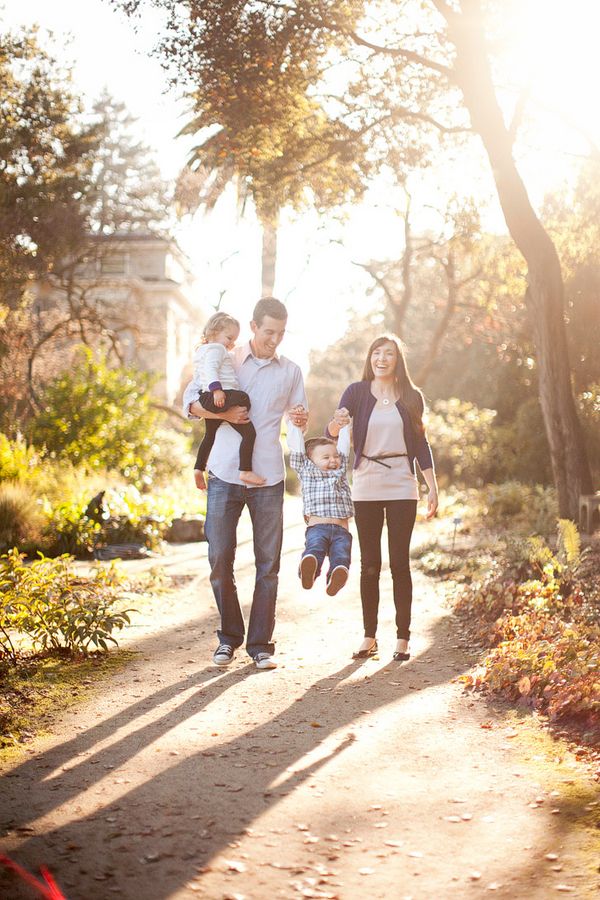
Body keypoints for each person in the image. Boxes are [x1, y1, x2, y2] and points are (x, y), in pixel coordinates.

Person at [182, 297, 307, 671]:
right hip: (223, 474)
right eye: (269, 331)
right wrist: (223, 412)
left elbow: (296, 422)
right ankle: (229, 638)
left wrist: (300, 420)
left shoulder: (291, 371)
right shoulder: (226, 355)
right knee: (220, 559)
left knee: (268, 566)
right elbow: (189, 403)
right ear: (253, 327)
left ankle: (260, 645)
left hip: (268, 477)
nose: (275, 339)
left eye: (281, 333)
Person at [326, 335, 438, 662]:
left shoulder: (412, 397)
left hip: (403, 482)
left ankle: (403, 638)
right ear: (370, 358)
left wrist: (432, 486)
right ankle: (369, 636)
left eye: (389, 353)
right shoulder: (356, 392)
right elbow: (334, 431)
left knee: (399, 563)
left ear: (397, 360)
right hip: (366, 483)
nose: (382, 358)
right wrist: (336, 423)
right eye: (377, 352)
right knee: (370, 564)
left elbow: (421, 445)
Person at [192, 311, 265, 489]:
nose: (231, 344)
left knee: (209, 435)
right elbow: (210, 369)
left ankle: (198, 467)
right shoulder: (217, 349)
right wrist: (217, 390)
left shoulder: (202, 351)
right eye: (229, 338)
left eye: (234, 341)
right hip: (219, 394)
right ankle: (245, 470)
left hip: (206, 397)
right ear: (214, 332)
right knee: (248, 424)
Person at [287, 420, 353, 596]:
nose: (333, 460)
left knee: (342, 557)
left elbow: (345, 447)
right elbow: (296, 449)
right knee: (314, 550)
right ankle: (309, 571)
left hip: (341, 531)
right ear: (310, 460)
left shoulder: (340, 471)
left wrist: (345, 426)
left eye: (335, 456)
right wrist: (294, 426)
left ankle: (336, 576)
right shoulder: (306, 470)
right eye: (326, 457)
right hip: (317, 528)